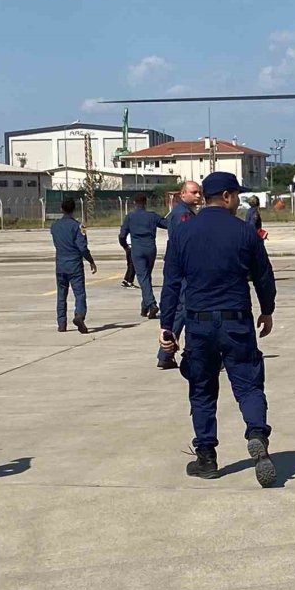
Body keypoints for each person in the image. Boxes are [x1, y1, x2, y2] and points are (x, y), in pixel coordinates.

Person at [159, 171, 277, 488]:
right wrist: (267, 310)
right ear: (225, 196)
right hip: (237, 320)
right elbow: (264, 276)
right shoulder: (245, 232)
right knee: (249, 384)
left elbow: (171, 282)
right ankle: (256, 434)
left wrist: (167, 326)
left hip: (199, 322)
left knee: (202, 389)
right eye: (236, 195)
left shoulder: (182, 233)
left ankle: (207, 457)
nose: (238, 201)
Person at [157, 180, 202, 370]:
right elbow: (186, 241)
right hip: (184, 268)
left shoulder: (183, 212)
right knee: (183, 308)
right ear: (183, 194)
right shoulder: (183, 214)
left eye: (199, 192)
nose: (198, 195)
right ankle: (166, 352)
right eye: (194, 192)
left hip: (181, 266)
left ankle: (167, 354)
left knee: (183, 307)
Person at [50, 198, 97, 333]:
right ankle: (79, 315)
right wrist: (91, 261)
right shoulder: (78, 226)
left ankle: (61, 323)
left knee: (61, 294)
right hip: (74, 264)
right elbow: (82, 247)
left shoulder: (54, 226)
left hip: (60, 264)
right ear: (74, 209)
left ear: (61, 209)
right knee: (79, 293)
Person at [119, 193, 168, 319]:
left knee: (143, 277)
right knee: (146, 277)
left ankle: (151, 304)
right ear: (145, 203)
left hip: (138, 249)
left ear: (134, 203)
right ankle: (145, 306)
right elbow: (167, 224)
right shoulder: (152, 216)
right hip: (151, 248)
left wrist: (125, 246)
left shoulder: (130, 217)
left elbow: (122, 235)